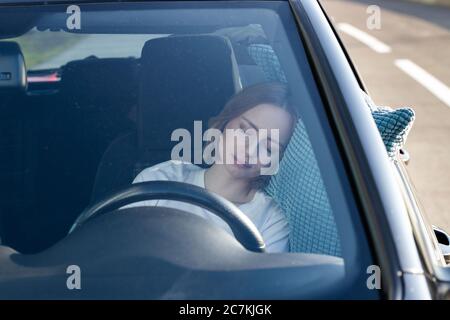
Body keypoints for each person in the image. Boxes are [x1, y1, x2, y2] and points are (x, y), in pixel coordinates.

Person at [125, 82, 298, 252]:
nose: (249, 150)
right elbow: (118, 255)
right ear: (225, 121)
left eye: (268, 148)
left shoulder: (270, 220)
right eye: (245, 131)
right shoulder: (161, 179)